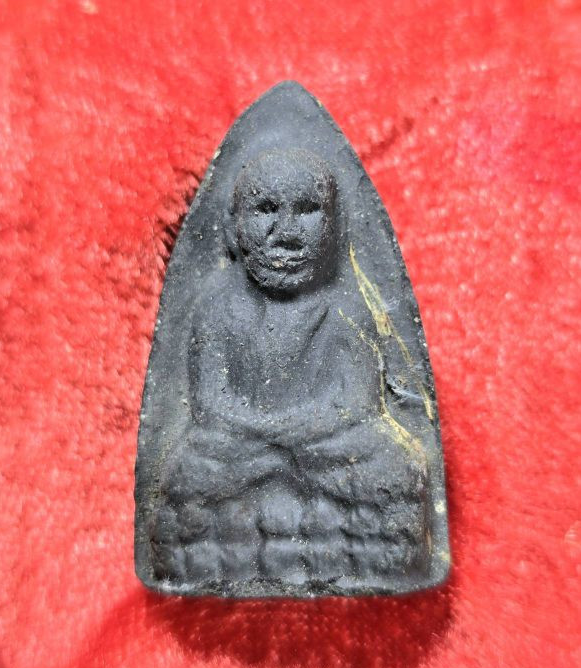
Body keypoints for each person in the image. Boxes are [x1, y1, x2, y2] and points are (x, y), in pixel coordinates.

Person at [149, 149, 427, 587]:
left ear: (334, 226)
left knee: (396, 469)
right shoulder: (218, 307)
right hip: (240, 447)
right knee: (184, 471)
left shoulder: (346, 306)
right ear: (234, 226)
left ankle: (364, 557)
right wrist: (276, 443)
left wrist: (279, 442)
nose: (287, 233)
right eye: (265, 209)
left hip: (323, 446)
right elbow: (211, 407)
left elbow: (357, 407)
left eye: (307, 210)